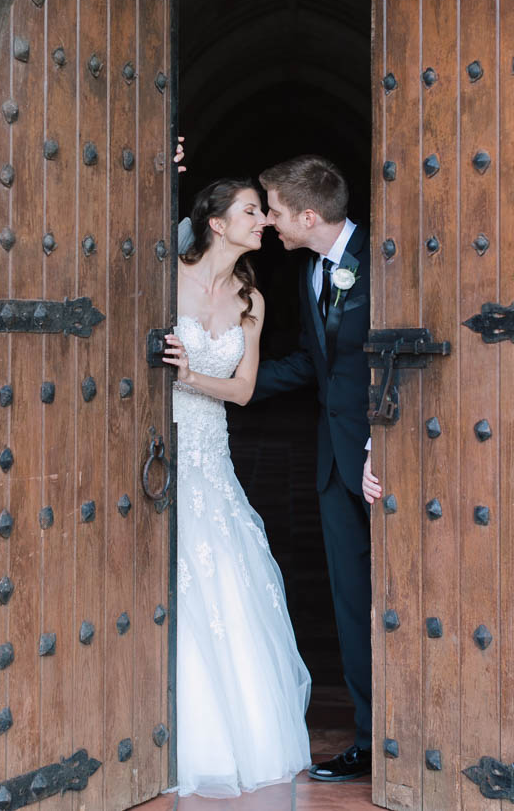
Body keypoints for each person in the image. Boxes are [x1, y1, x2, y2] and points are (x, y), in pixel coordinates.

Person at [163, 177, 311, 798]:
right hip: (159, 450)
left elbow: (245, 390)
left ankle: (231, 738)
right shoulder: (164, 275)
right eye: (253, 211)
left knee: (223, 578)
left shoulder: (251, 300)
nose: (265, 221)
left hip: (210, 454)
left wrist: (194, 377)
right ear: (217, 224)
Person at [252, 154, 373, 782]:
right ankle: (369, 737)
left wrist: (385, 447)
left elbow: (404, 357)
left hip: (388, 466)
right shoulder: (311, 274)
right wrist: (233, 381)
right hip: (334, 465)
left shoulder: (385, 259)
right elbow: (311, 362)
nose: (269, 223)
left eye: (273, 211)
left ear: (305, 215)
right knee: (352, 603)